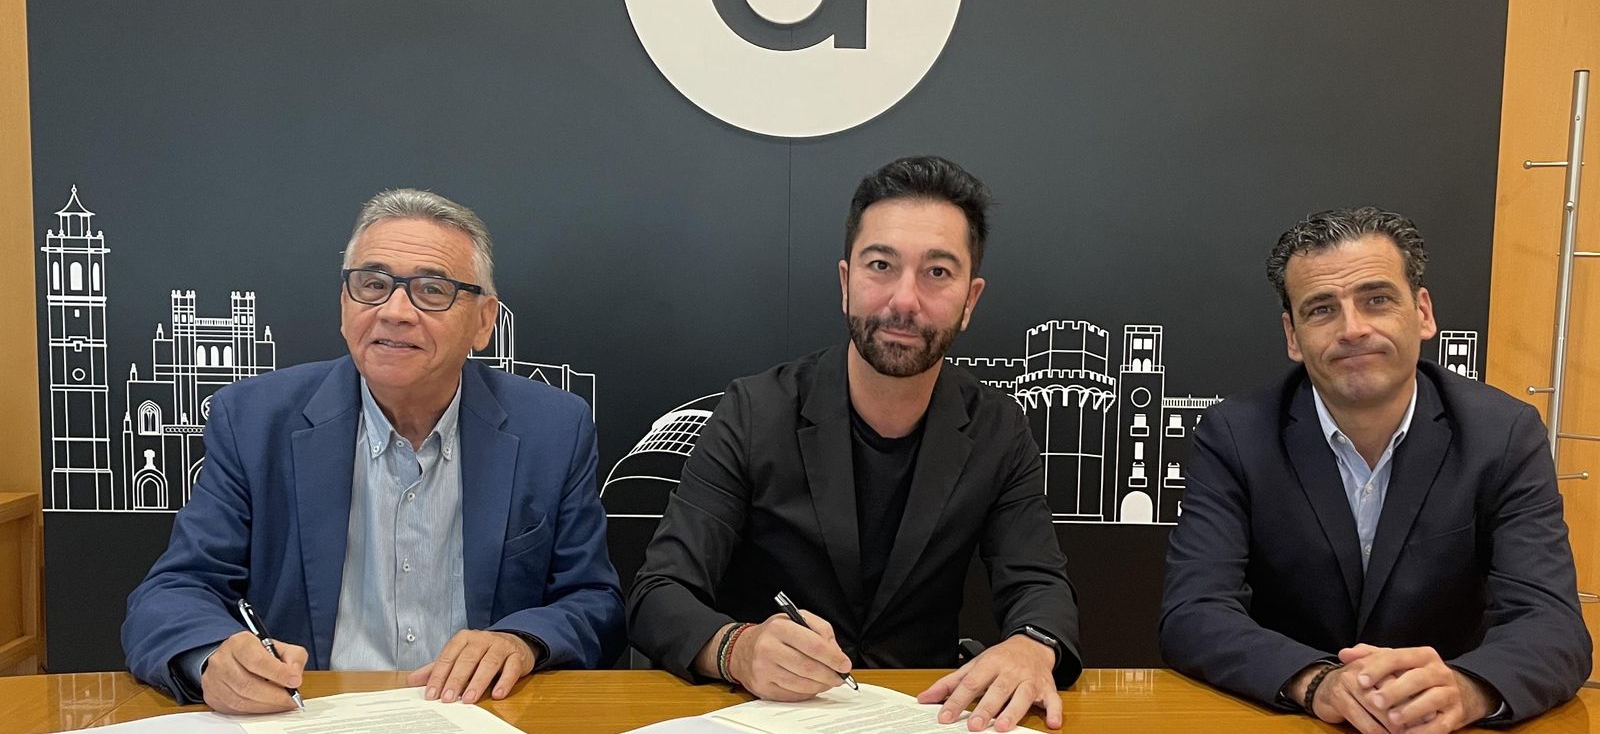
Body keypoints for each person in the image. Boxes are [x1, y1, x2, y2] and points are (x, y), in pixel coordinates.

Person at [123, 188, 624, 713]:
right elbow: (171, 593)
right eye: (373, 285)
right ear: (345, 305)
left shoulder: (552, 428)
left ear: (483, 321)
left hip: (479, 715)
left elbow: (593, 602)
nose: (395, 311)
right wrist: (210, 659)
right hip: (310, 716)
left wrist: (523, 641)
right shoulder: (254, 421)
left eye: (432, 290)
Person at [629, 156, 1081, 733]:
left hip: (923, 714)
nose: (904, 300)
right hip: (768, 717)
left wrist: (1030, 646)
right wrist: (735, 648)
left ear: (971, 300)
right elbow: (658, 592)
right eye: (881, 265)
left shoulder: (996, 427)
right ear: (846, 283)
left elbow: (1040, 583)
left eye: (938, 273)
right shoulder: (753, 411)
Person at [1160, 207, 1591, 733]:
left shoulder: (1504, 434)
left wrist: (1467, 688)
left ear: (1423, 312)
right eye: (1321, 309)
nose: (1353, 329)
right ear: (1293, 337)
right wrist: (1318, 682)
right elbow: (1194, 611)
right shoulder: (1235, 435)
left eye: (1377, 299)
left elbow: (1551, 625)